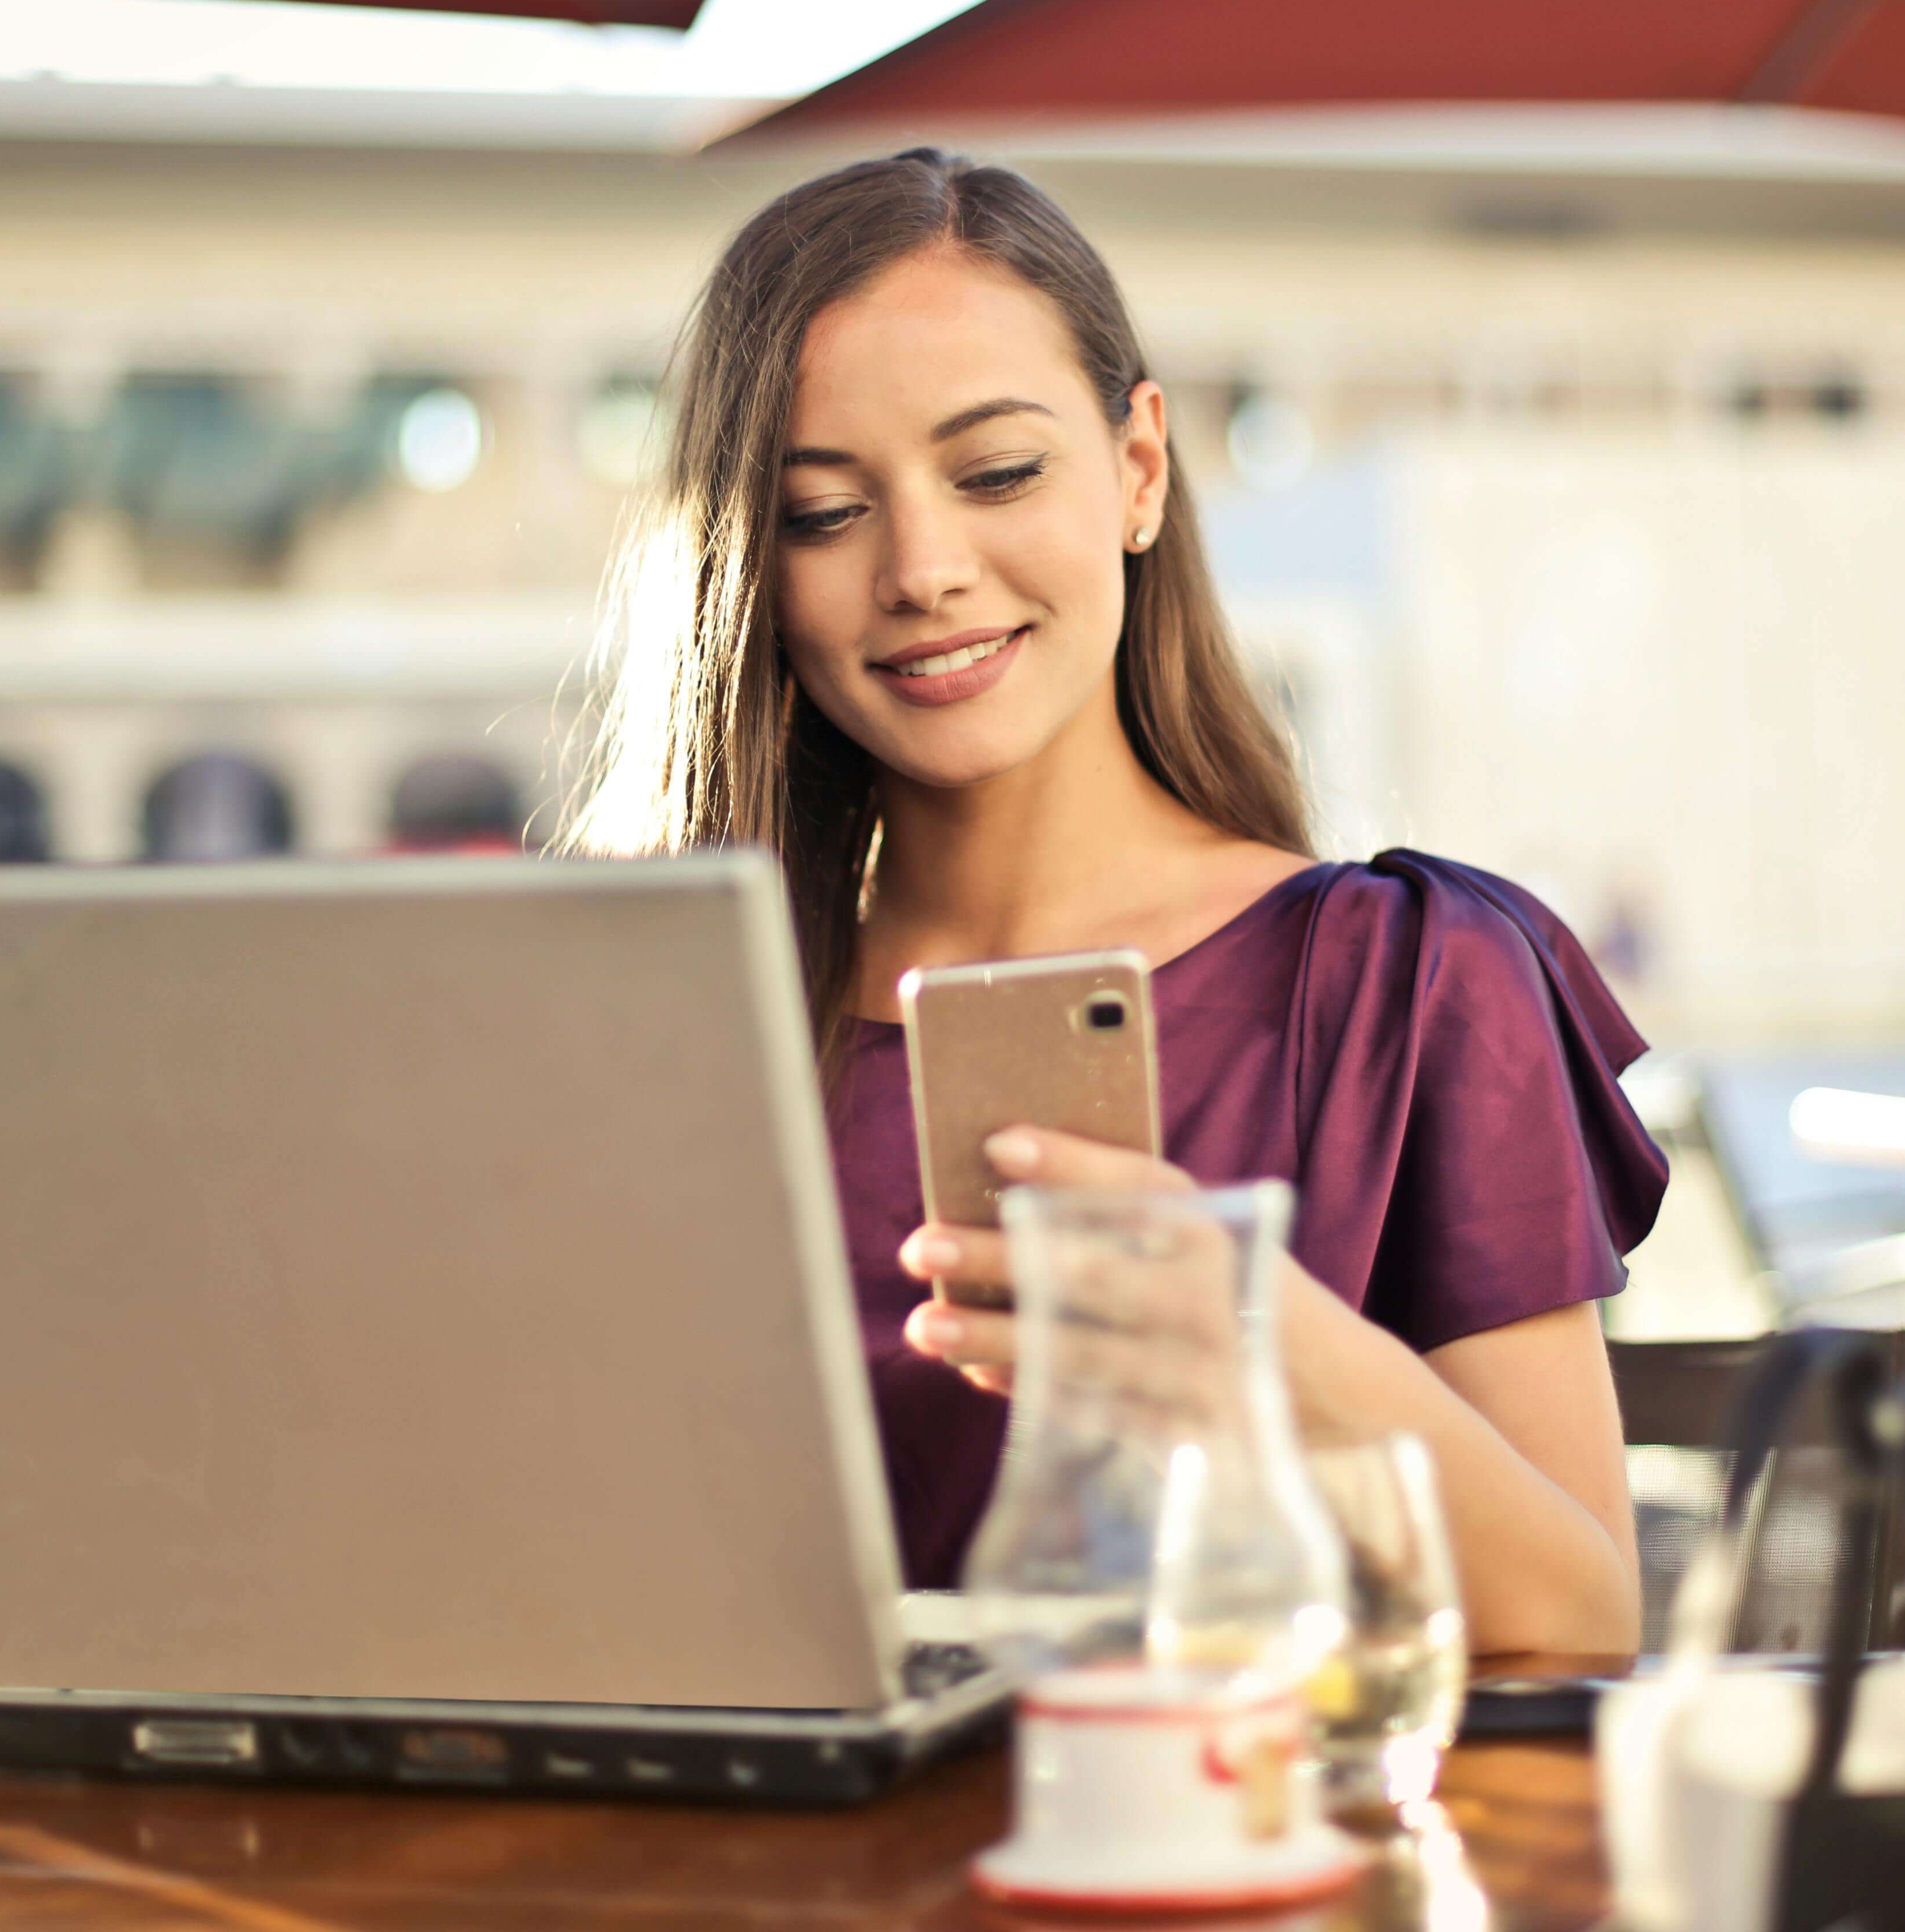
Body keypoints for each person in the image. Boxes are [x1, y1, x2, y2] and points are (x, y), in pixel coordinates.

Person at [568, 149, 1661, 1654]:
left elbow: (1583, 1610)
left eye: (997, 473)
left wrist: (1247, 1336)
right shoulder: (655, 1019)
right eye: (823, 512)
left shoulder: (1404, 978)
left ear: (1137, 468)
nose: (924, 570)